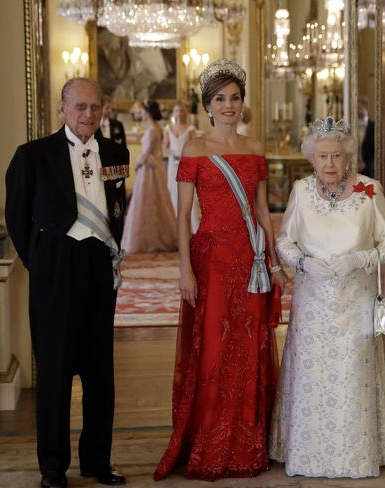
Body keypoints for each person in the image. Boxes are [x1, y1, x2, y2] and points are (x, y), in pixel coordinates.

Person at [153, 58, 288, 481]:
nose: (228, 105)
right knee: (213, 351)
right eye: (220, 99)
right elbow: (182, 216)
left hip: (249, 263)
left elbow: (263, 210)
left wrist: (274, 260)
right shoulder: (194, 148)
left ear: (242, 103)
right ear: (207, 106)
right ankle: (210, 443)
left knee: (248, 350)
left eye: (234, 98)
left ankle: (247, 447)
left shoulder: (256, 147)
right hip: (210, 262)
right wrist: (184, 270)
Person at [5, 78, 128, 488]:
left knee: (100, 373)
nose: (88, 114)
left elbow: (116, 210)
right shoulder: (33, 156)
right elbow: (17, 218)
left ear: (103, 110)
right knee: (55, 373)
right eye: (79, 107)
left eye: (95, 107)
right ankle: (53, 468)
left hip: (98, 268)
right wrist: (40, 263)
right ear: (62, 109)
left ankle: (97, 461)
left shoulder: (115, 153)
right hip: (55, 270)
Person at [270, 115, 385, 478]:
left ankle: (355, 456)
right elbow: (284, 241)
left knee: (351, 377)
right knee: (312, 379)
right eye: (322, 157)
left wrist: (362, 258)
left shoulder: (368, 190)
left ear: (348, 158)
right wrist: (303, 263)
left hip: (355, 301)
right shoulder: (301, 191)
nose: (329, 164)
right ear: (311, 158)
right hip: (312, 302)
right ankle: (308, 456)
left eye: (337, 156)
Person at [120, 99, 178, 253]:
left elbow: (146, 153)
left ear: (148, 113)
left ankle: (147, 239)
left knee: (147, 201)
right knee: (157, 201)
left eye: (143, 111)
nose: (141, 113)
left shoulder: (153, 130)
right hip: (154, 167)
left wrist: (137, 163)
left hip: (148, 169)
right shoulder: (158, 128)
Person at [163, 100, 200, 232]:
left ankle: (193, 228)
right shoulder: (168, 129)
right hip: (172, 165)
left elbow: (195, 145)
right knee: (173, 191)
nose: (179, 113)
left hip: (186, 164)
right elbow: (165, 147)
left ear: (185, 113)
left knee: (189, 193)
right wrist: (171, 153)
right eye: (177, 111)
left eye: (181, 110)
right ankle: (175, 229)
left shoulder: (190, 129)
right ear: (173, 113)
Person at [357, 96, 375, 178]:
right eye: (357, 108)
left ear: (366, 109)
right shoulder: (352, 125)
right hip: (354, 167)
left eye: (360, 108)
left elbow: (375, 149)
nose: (358, 111)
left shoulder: (374, 126)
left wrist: (365, 164)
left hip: (369, 168)